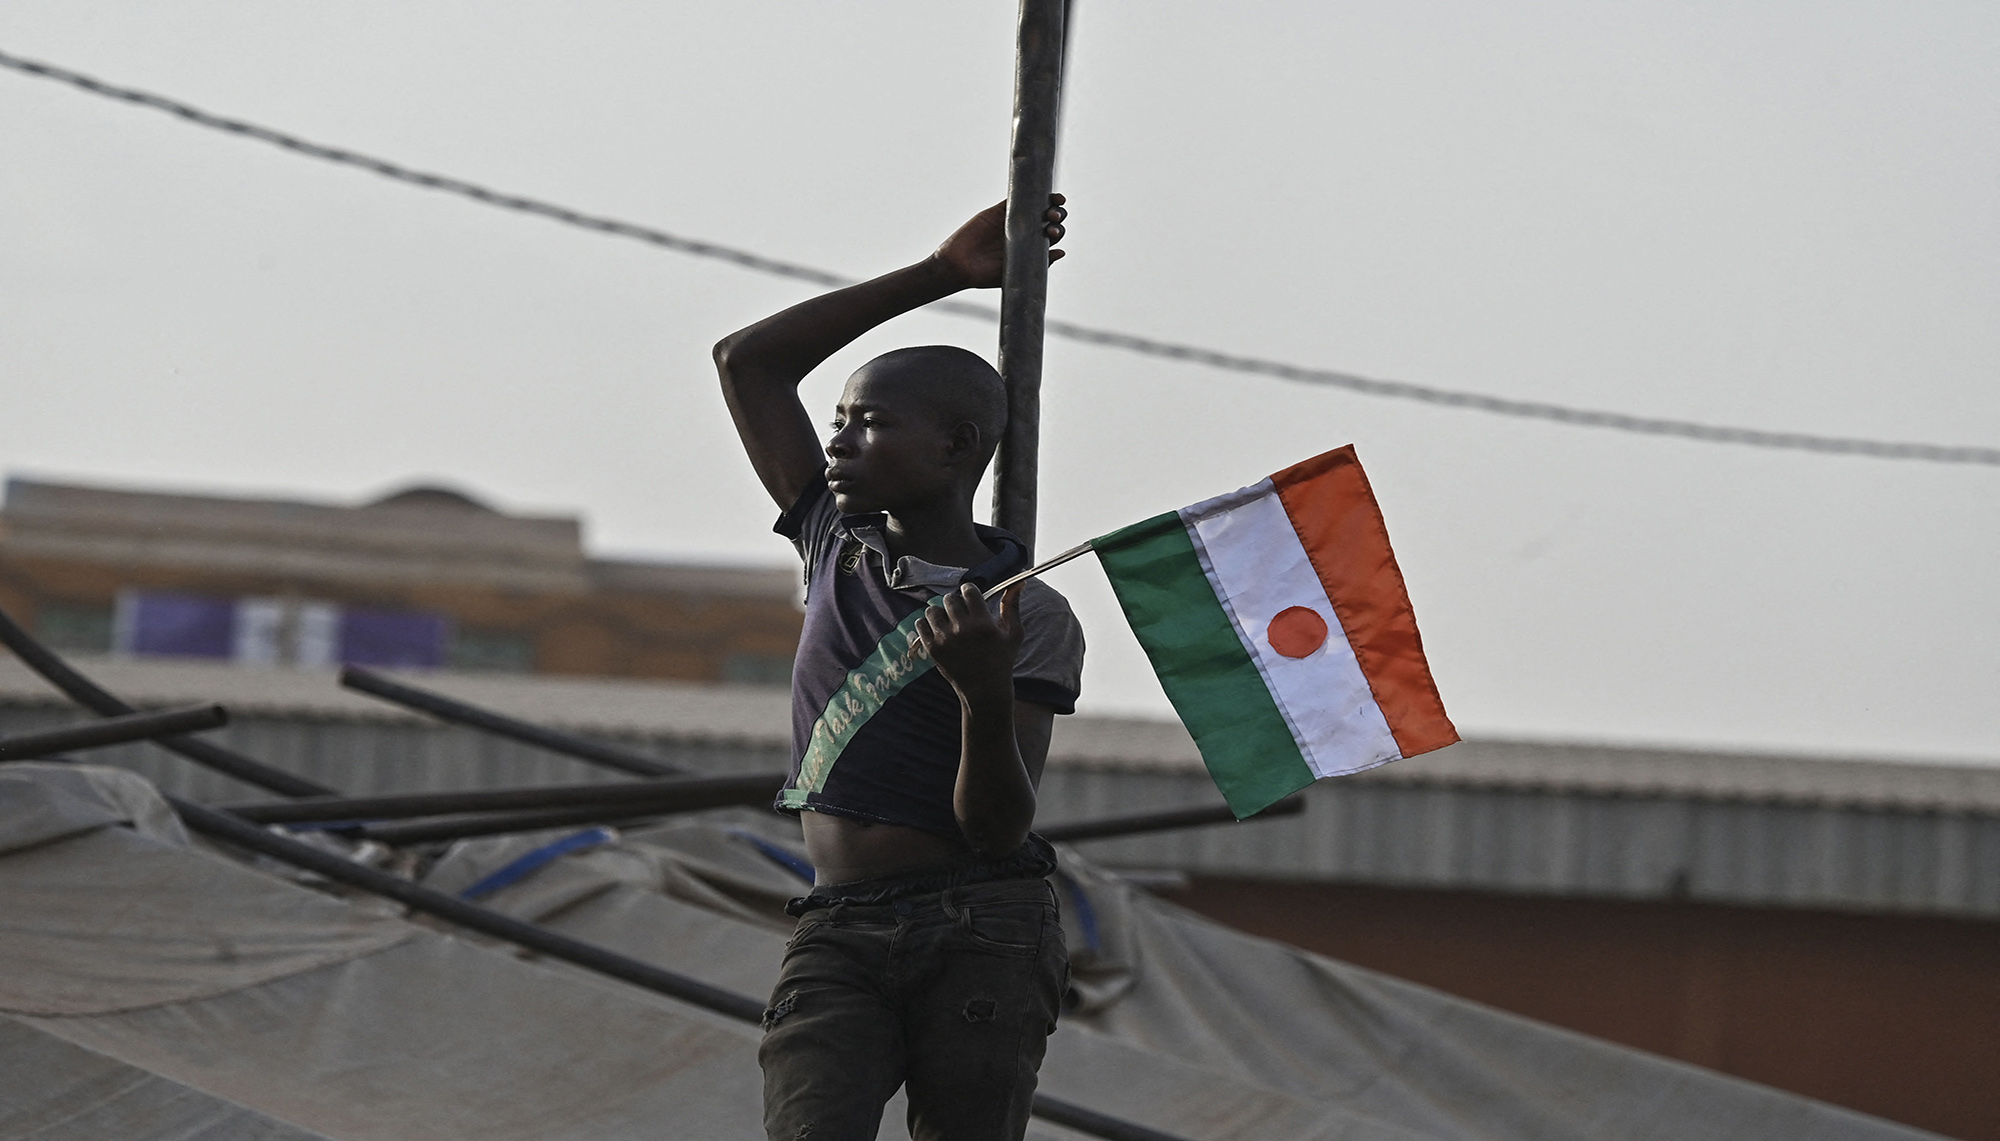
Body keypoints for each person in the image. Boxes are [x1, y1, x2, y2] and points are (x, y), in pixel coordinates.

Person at [713, 194, 1081, 1141]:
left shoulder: (1024, 616)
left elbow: (996, 829)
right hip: (839, 922)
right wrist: (941, 275)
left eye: (869, 421)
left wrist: (983, 697)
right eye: (837, 419)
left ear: (955, 446)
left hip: (982, 922)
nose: (838, 443)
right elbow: (745, 361)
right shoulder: (836, 546)